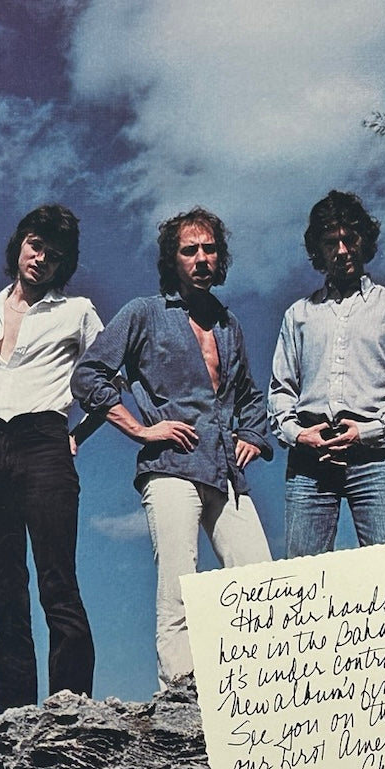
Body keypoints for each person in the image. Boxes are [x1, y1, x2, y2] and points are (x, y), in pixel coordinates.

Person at [72, 207, 272, 687]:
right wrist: (141, 430)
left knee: (260, 581)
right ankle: (178, 702)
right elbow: (89, 375)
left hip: (225, 471)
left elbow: (249, 394)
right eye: (190, 250)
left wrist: (253, 435)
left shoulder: (228, 324)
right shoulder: (144, 313)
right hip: (170, 467)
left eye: (209, 249)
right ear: (173, 259)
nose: (201, 258)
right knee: (180, 585)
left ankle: (256, 688)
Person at [0, 205, 100, 714]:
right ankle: (14, 719)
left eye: (54, 254)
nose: (41, 258)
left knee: (56, 582)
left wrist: (78, 434)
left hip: (45, 439)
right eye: (35, 244)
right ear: (20, 244)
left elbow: (111, 375)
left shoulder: (76, 311)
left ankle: (71, 712)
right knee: (3, 594)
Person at [268, 190, 385, 557]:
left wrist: (367, 432)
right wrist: (298, 435)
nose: (341, 251)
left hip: (374, 458)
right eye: (330, 243)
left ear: (363, 241)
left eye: (349, 239)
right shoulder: (299, 315)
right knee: (301, 582)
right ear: (318, 251)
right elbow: (280, 390)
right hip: (310, 464)